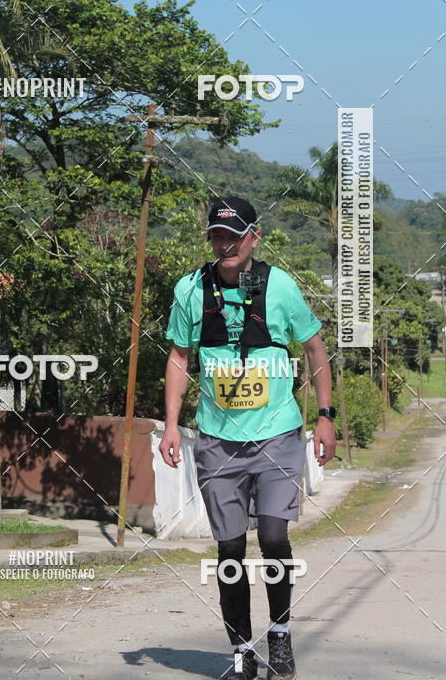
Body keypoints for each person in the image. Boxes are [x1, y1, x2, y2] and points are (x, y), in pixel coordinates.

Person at [159, 196, 336, 679]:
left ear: (254, 237)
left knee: (274, 536)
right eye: (217, 235)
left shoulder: (280, 287)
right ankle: (241, 651)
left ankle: (279, 634)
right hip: (217, 439)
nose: (226, 244)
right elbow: (179, 357)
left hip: (277, 435)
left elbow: (315, 347)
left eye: (234, 235)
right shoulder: (191, 289)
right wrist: (172, 424)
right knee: (230, 550)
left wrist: (324, 415)